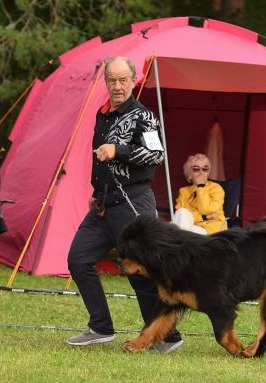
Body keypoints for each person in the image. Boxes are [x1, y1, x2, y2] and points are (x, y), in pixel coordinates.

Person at [67, 56, 183, 353]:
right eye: (112, 80)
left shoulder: (143, 116)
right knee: (78, 259)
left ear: (134, 81)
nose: (117, 86)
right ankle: (100, 327)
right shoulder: (102, 114)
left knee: (139, 272)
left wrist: (117, 150)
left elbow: (156, 155)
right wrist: (98, 190)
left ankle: (167, 337)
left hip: (132, 203)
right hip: (104, 203)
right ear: (106, 82)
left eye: (123, 80)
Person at [173, 153, 227, 234]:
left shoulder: (216, 188)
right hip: (189, 226)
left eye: (205, 169)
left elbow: (206, 210)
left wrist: (201, 186)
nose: (201, 172)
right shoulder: (184, 191)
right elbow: (181, 215)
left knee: (178, 232)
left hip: (211, 228)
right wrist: (204, 217)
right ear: (189, 174)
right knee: (181, 213)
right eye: (196, 169)